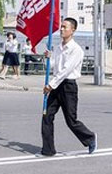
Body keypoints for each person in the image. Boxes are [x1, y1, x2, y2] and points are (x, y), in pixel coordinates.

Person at [40, 17, 97, 157]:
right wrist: (48, 58)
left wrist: (50, 85)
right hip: (56, 85)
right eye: (61, 26)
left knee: (71, 121)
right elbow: (55, 66)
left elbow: (66, 70)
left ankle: (90, 138)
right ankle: (48, 150)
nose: (61, 29)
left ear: (73, 30)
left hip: (68, 86)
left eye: (65, 27)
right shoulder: (59, 47)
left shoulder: (76, 50)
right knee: (47, 115)